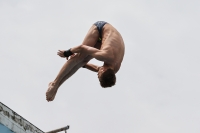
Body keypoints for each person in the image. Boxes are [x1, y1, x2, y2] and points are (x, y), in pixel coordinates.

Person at [46, 21, 125, 102]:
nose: (97, 74)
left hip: (107, 41)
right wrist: (67, 52)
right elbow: (82, 47)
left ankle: (57, 87)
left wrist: (84, 65)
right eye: (99, 75)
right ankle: (54, 84)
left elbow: (97, 68)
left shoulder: (114, 69)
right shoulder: (104, 55)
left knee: (82, 62)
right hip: (100, 28)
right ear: (103, 70)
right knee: (79, 58)